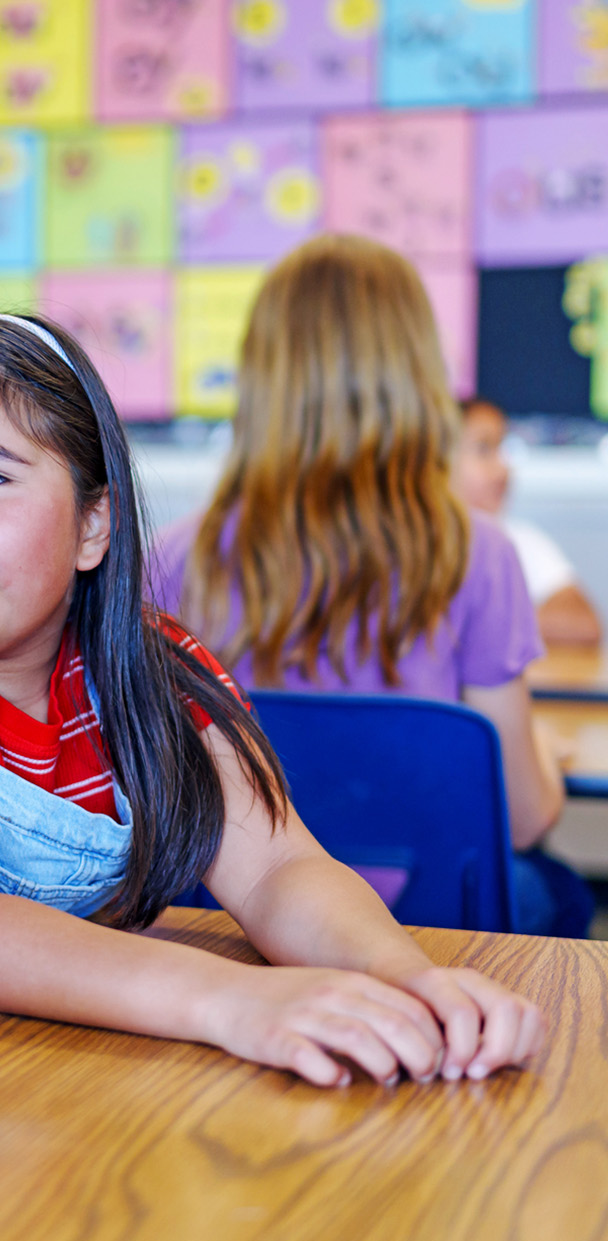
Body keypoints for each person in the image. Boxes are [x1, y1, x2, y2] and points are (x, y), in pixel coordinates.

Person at [0, 304, 545, 1094]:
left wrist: (403, 979)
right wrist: (233, 999)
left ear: (93, 525)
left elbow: (279, 871)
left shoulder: (151, 667)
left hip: (22, 1067)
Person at [148, 235, 589, 937]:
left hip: (229, 918)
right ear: (419, 374)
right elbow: (527, 818)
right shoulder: (478, 551)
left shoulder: (172, 557)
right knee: (557, 891)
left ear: (262, 375)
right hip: (430, 920)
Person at [455, 396, 602, 648]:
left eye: (503, 448)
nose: (504, 467)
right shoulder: (411, 542)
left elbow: (584, 624)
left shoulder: (518, 539)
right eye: (483, 449)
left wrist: (471, 622)